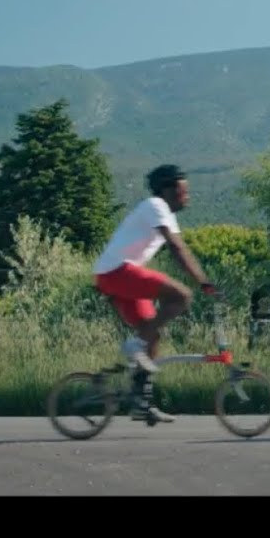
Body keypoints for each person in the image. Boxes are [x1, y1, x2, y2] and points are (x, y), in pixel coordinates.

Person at [91, 164, 217, 423]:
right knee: (181, 296)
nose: (187, 196)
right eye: (184, 190)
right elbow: (177, 248)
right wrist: (203, 282)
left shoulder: (165, 214)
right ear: (168, 189)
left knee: (152, 335)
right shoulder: (155, 205)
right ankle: (135, 345)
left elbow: (178, 245)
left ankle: (140, 402)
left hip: (116, 275)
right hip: (116, 271)